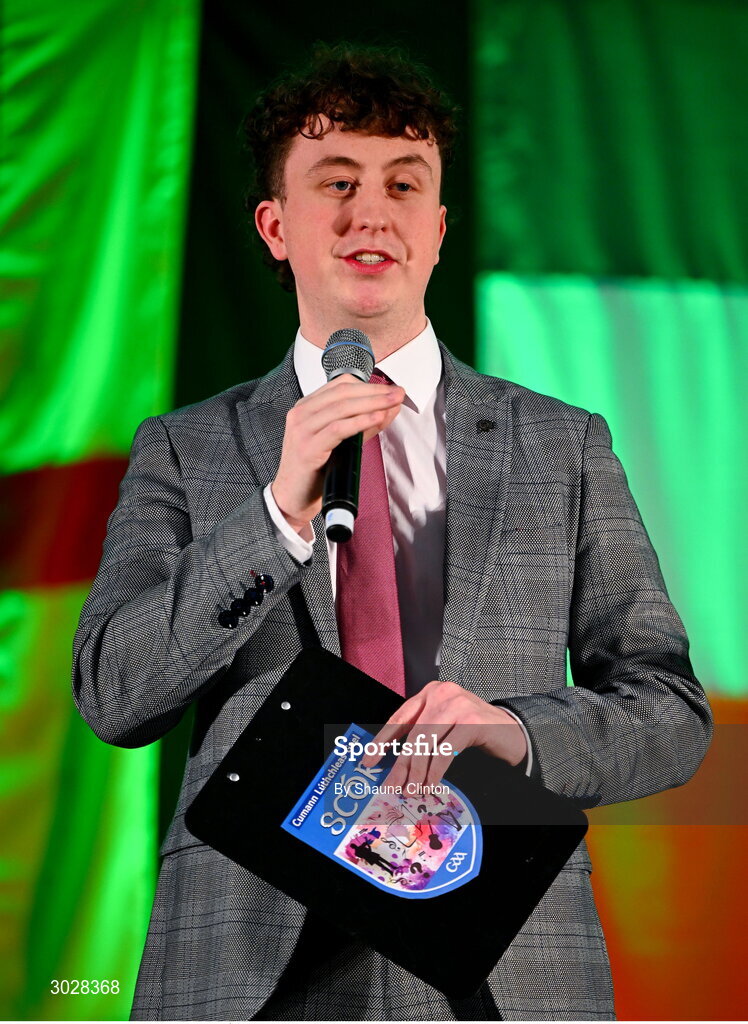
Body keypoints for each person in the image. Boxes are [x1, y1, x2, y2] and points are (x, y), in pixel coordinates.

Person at [72, 43, 713, 1021]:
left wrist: (509, 730)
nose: (372, 211)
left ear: (440, 227)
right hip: (250, 963)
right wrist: (277, 513)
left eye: (403, 184)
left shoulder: (560, 445)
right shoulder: (187, 448)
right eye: (336, 181)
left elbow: (669, 712)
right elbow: (115, 697)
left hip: (499, 960)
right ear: (274, 226)